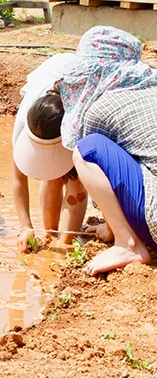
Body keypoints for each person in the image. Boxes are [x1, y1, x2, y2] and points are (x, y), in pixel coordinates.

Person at [55, 26, 157, 275]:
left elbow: (106, 168)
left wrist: (113, 230)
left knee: (87, 149)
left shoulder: (101, 108)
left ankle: (128, 244)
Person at [12, 53, 88, 253]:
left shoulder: (83, 119)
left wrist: (66, 244)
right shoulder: (24, 122)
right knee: (50, 174)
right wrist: (25, 227)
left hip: (79, 93)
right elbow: (18, 177)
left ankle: (67, 240)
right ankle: (50, 233)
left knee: (75, 178)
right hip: (51, 74)